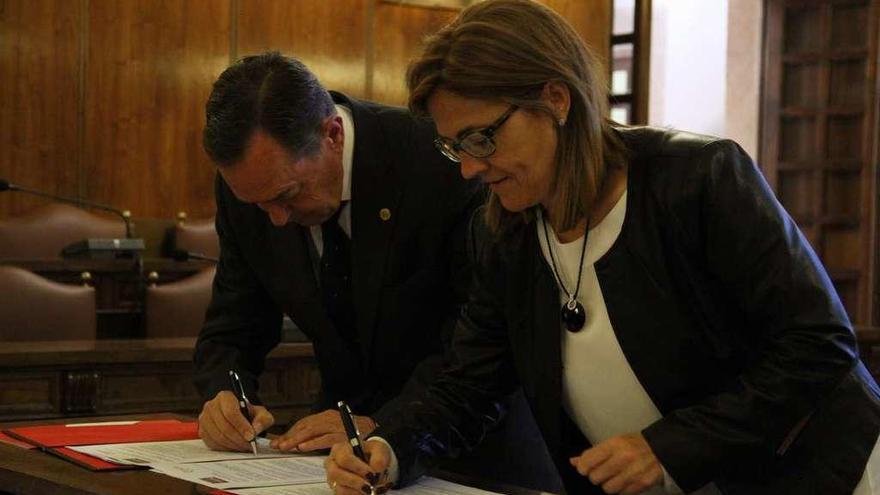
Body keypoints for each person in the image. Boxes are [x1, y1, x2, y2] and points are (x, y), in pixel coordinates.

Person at [324, 1, 880, 494]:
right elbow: (469, 384)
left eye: (481, 137)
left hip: (826, 475)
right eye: (454, 147)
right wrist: (392, 447)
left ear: (556, 99)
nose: (470, 167)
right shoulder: (503, 235)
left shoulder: (697, 179)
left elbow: (818, 344)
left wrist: (669, 446)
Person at [192, 52, 486, 456]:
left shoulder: (439, 160)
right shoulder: (250, 186)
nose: (276, 219)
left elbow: (475, 335)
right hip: (336, 449)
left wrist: (388, 427)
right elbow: (234, 321)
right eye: (260, 205)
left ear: (332, 135)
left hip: (460, 447)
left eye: (287, 196)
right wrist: (226, 394)